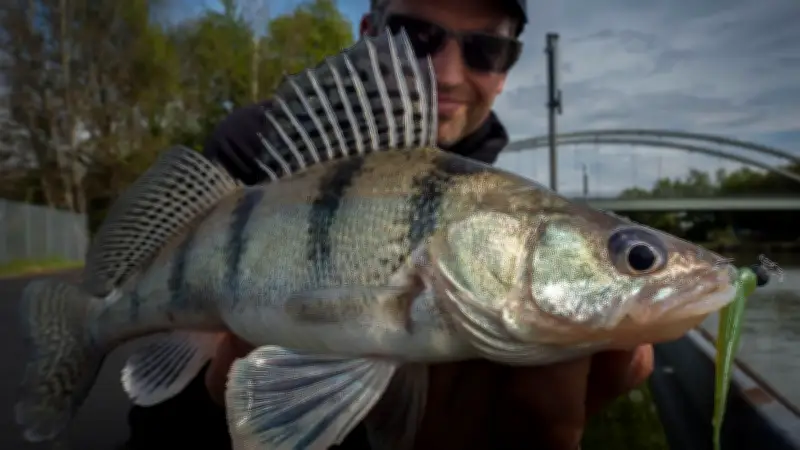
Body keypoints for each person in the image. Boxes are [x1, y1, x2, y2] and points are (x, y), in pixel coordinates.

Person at [124, 0, 655, 449]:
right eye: (416, 36)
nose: (446, 74)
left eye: (486, 49)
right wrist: (210, 416)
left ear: (507, 68)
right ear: (370, 35)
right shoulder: (255, 146)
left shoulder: (501, 197)